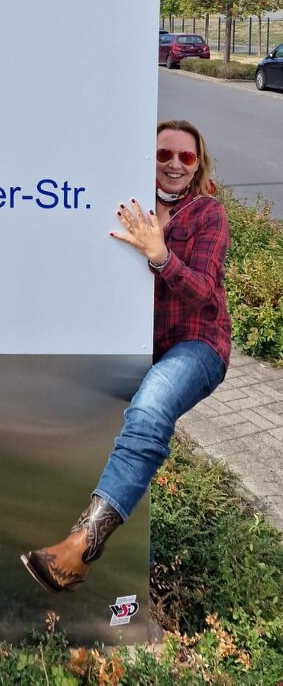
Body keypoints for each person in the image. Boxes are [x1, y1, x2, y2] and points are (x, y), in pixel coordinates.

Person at [21, 119, 231, 594]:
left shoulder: (208, 213)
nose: (174, 164)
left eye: (186, 156)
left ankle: (81, 550)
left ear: (198, 164)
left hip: (198, 346)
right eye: (163, 154)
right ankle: (136, 561)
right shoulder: (128, 204)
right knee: (91, 412)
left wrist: (160, 255)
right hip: (141, 348)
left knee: (150, 409)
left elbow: (203, 291)